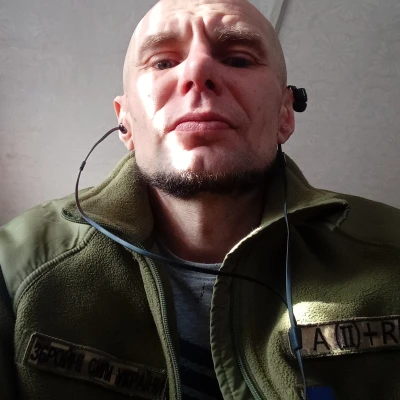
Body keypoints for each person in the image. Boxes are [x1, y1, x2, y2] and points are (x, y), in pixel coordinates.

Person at [1, 0, 400, 399]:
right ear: (125, 122)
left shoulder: (391, 253)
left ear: (285, 114)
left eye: (239, 59)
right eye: (162, 62)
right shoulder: (14, 268)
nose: (197, 71)